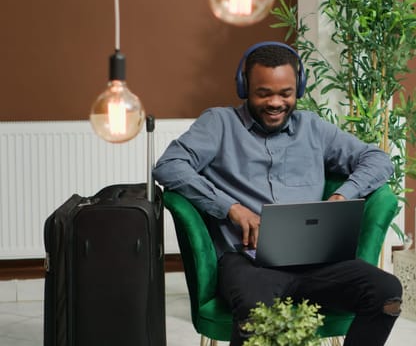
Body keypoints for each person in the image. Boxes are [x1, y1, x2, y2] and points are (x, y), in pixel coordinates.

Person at [153, 41, 402, 346]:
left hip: (317, 259)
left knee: (386, 293)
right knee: (257, 316)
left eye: (285, 93)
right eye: (264, 93)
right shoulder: (218, 124)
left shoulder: (313, 128)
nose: (275, 102)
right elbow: (169, 165)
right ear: (245, 88)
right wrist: (230, 206)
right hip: (248, 261)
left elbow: (378, 160)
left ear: (298, 89)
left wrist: (343, 196)